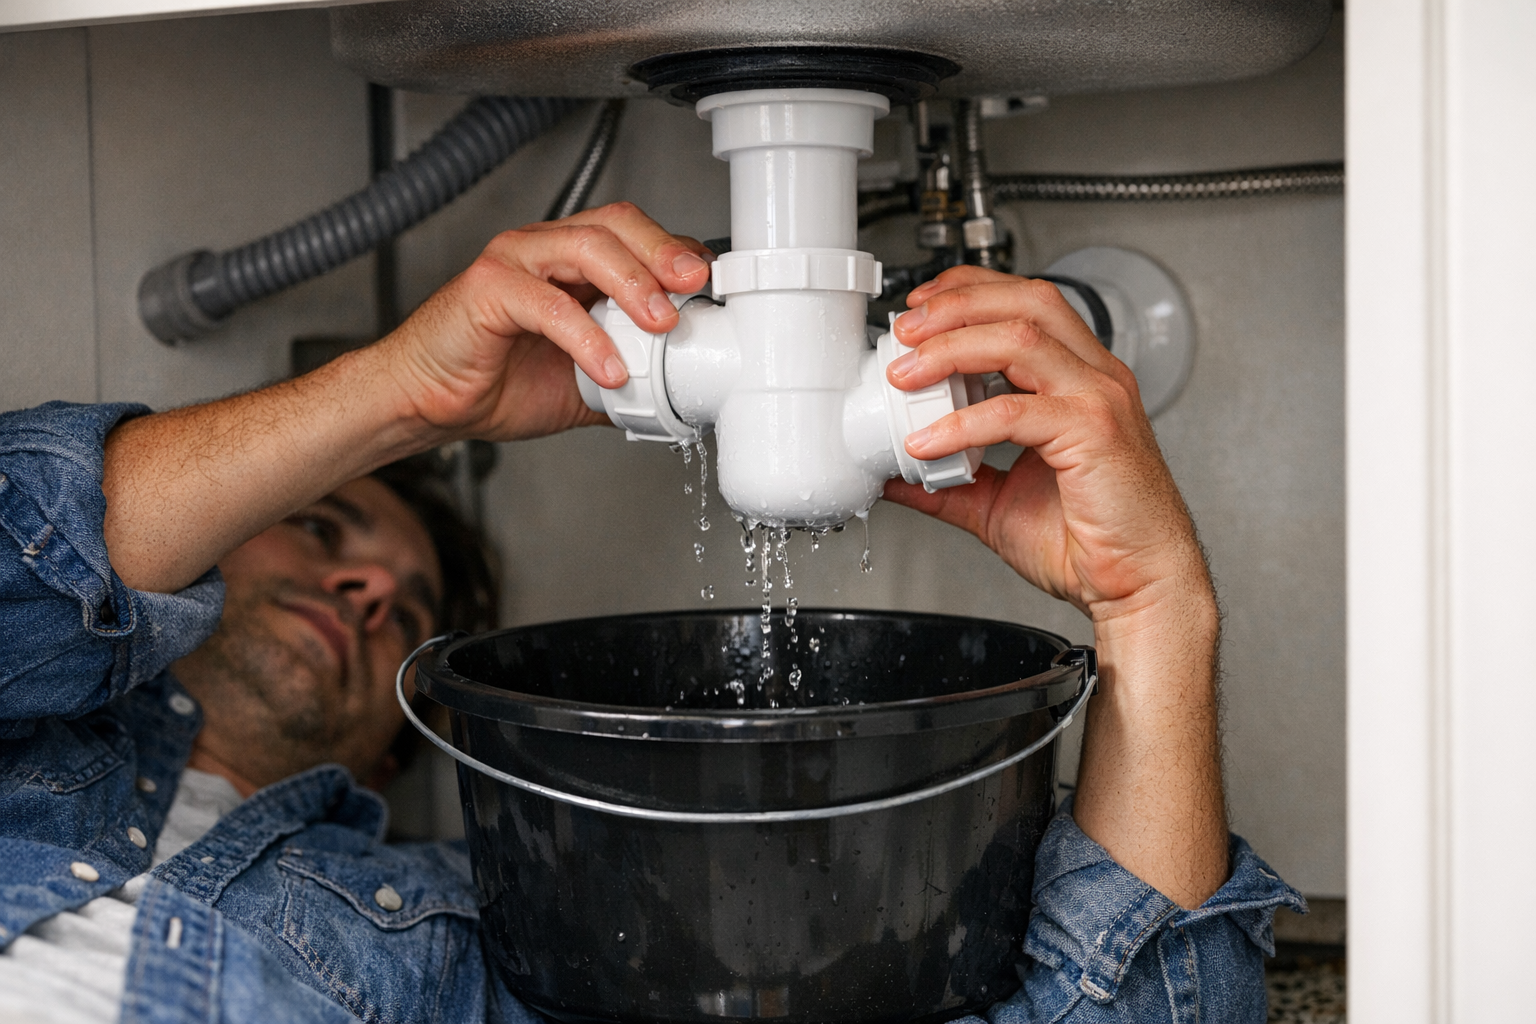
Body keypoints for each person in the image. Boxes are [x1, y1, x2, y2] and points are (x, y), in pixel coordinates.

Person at [0, 202, 1302, 1023]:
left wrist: (1154, 608)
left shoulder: (498, 947)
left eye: (406, 614)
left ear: (410, 742)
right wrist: (398, 398)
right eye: (331, 531)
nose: (366, 589)